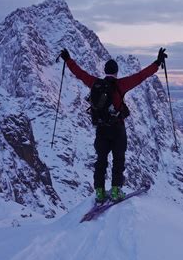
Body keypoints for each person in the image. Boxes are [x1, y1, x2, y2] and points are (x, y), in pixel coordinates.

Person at [60, 47, 167, 202]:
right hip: (117, 128)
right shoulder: (121, 85)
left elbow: (80, 73)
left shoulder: (95, 83)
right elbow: (141, 76)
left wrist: (68, 59)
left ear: (104, 71)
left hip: (101, 129)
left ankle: (99, 192)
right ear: (116, 72)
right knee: (118, 159)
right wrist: (157, 62)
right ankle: (116, 191)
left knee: (101, 160)